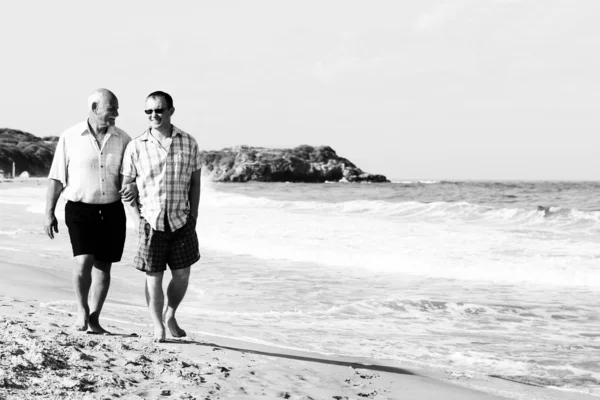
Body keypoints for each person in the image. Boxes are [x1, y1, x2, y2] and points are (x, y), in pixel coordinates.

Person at [44, 88, 134, 334]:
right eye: (111, 108)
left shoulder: (124, 138)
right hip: (80, 209)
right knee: (83, 261)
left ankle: (94, 318)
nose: (116, 113)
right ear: (95, 108)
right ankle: (82, 311)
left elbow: (131, 176)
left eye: (116, 108)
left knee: (104, 266)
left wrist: (133, 187)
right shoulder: (70, 136)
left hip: (113, 211)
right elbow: (56, 178)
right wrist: (48, 212)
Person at [121, 91, 201, 342]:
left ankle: (170, 314)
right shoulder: (136, 146)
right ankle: (158, 325)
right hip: (150, 221)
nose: (153, 115)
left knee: (182, 276)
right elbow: (127, 186)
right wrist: (136, 220)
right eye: (149, 111)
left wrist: (194, 215)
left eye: (158, 110)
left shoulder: (189, 142)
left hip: (181, 220)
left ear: (171, 111)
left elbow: (195, 183)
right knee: (153, 278)